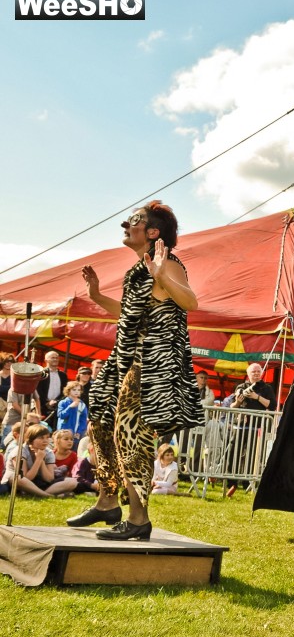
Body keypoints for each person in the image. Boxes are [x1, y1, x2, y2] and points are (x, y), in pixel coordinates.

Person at [66, 201, 204, 541]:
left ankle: (138, 518)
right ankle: (108, 500)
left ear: (153, 232)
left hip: (151, 364)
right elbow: (129, 314)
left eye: (135, 221)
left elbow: (190, 301)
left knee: (130, 434)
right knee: (98, 409)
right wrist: (97, 296)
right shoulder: (138, 271)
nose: (126, 225)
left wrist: (161, 275)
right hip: (125, 358)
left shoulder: (167, 263)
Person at [1, 424, 78, 498]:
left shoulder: (48, 452)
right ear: (31, 439)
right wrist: (38, 459)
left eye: (47, 438)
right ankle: (48, 496)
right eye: (41, 438)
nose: (45, 441)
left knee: (73, 482)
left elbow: (49, 479)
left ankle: (35, 494)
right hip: (17, 483)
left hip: (39, 482)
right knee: (17, 478)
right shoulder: (20, 451)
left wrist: (41, 461)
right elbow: (26, 478)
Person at [35, 350, 68, 424]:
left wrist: (57, 401)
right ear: (46, 360)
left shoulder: (63, 375)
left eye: (57, 358)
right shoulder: (41, 373)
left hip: (57, 407)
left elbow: (65, 391)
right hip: (42, 407)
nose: (55, 359)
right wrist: (47, 403)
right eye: (52, 358)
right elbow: (38, 391)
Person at [56, 380, 88, 450]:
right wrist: (70, 407)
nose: (77, 392)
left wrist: (79, 432)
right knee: (61, 450)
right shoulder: (63, 402)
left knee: (74, 451)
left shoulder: (82, 404)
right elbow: (61, 415)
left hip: (76, 434)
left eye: (79, 390)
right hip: (63, 432)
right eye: (74, 390)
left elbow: (83, 420)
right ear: (68, 390)